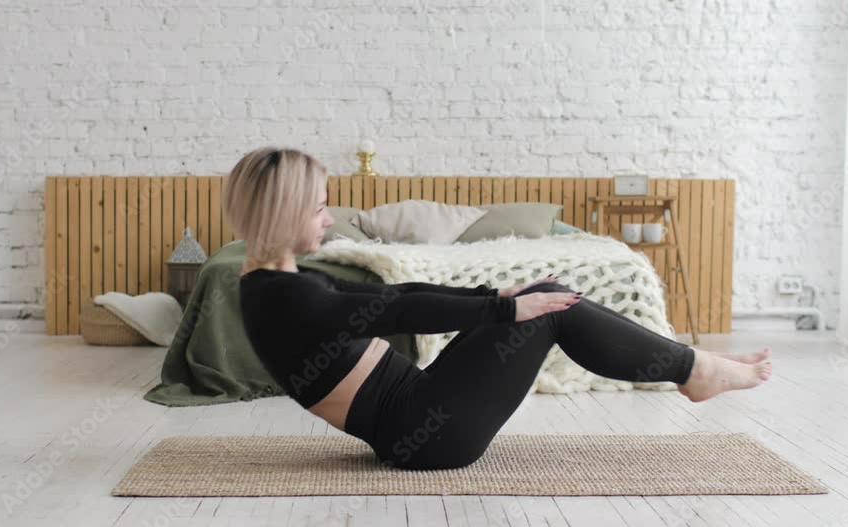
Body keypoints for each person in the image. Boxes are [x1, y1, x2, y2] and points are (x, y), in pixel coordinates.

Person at [224, 147, 774, 471]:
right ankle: (693, 370)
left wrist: (500, 298)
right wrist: (507, 313)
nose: (327, 220)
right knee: (552, 308)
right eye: (319, 208)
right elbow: (400, 312)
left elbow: (405, 295)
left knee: (545, 294)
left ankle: (689, 366)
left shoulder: (282, 283)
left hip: (421, 416)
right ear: (285, 211)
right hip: (429, 437)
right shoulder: (286, 296)